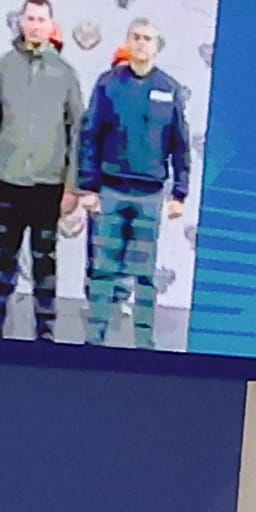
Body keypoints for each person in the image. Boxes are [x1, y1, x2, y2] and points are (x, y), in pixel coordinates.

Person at [0, 0, 83, 340]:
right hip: (7, 179)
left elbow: (78, 131)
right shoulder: (5, 67)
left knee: (45, 259)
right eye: (30, 19)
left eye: (41, 20)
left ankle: (45, 330)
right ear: (21, 22)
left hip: (49, 183)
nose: (35, 26)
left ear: (51, 25)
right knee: (3, 256)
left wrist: (72, 185)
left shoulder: (65, 73)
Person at [78, 20, 192, 346]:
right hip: (111, 191)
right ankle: (93, 342)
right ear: (127, 41)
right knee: (103, 270)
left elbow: (180, 144)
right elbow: (90, 136)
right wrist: (88, 187)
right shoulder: (108, 84)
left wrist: (180, 192)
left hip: (150, 195)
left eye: (147, 39)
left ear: (157, 46)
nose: (141, 43)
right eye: (136, 37)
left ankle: (144, 345)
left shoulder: (169, 89)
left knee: (144, 275)